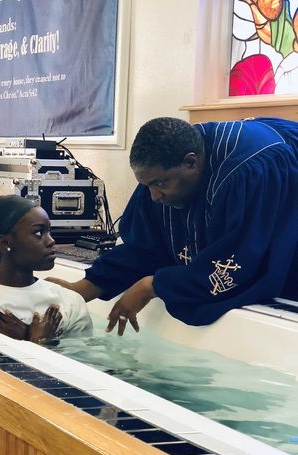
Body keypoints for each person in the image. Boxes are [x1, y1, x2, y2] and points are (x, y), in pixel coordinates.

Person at [49, 117, 297, 333]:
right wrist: (80, 290)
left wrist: (151, 286)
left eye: (160, 184)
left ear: (191, 163)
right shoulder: (162, 171)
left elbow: (241, 261)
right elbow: (144, 247)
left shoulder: (250, 170)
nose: (154, 196)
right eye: (147, 186)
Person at [0, 195, 93, 343]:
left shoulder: (70, 302)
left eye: (49, 231)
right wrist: (35, 342)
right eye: (38, 233)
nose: (51, 241)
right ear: (5, 243)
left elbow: (84, 359)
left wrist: (37, 341)